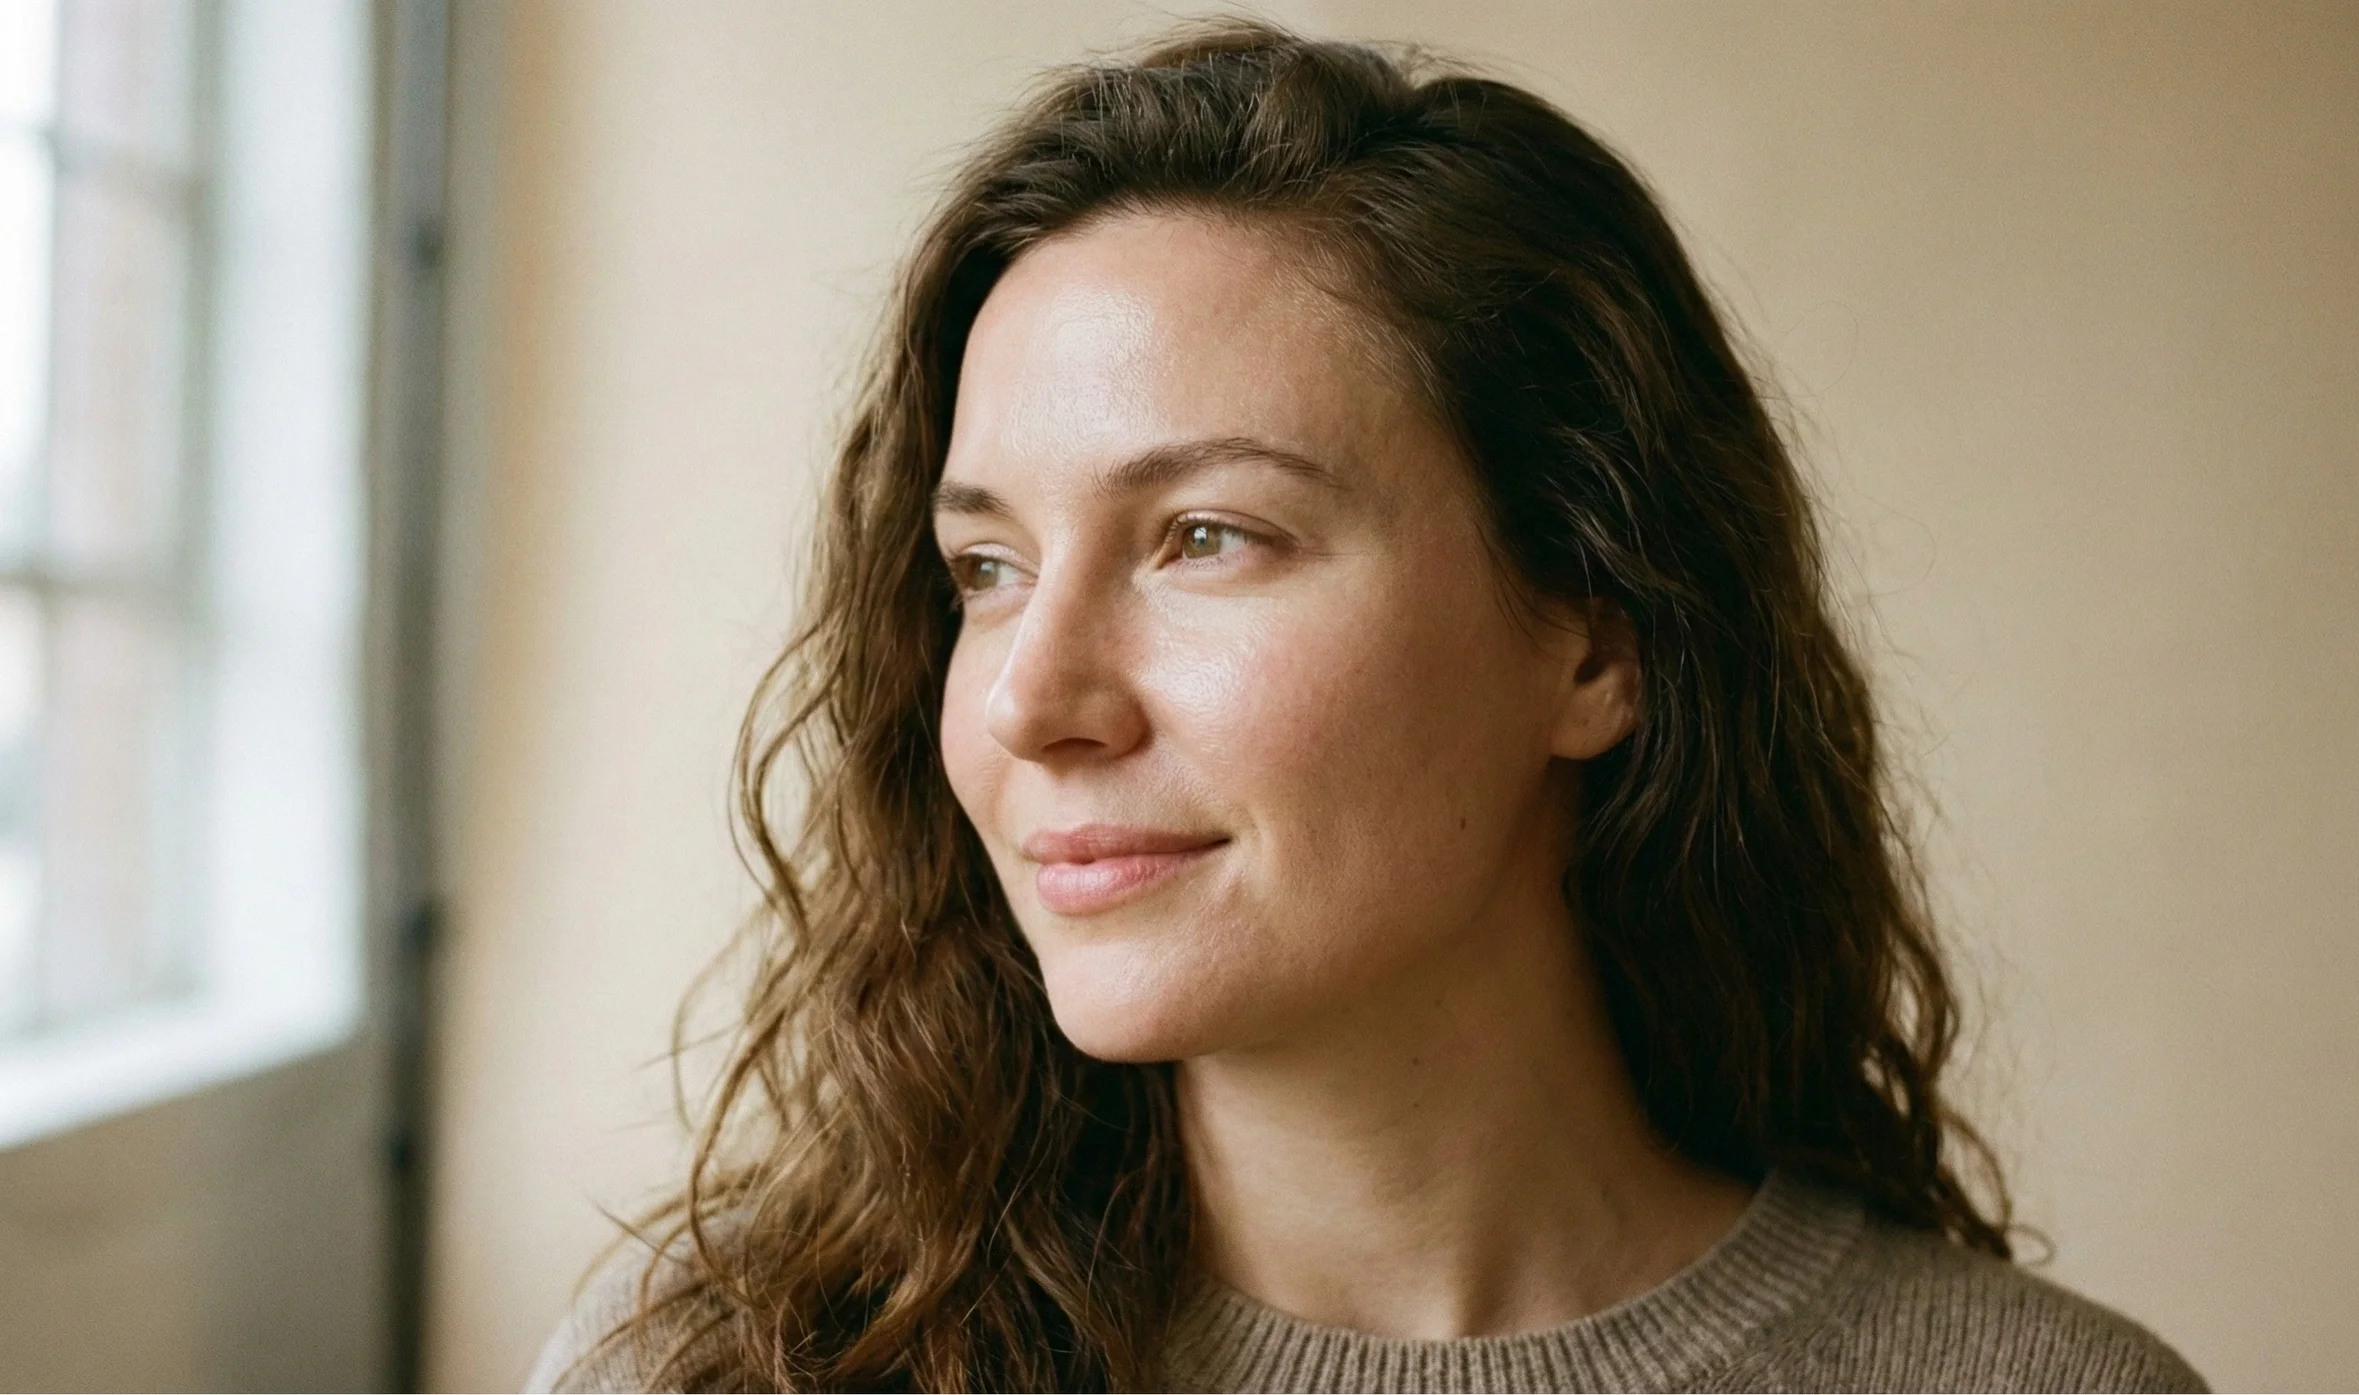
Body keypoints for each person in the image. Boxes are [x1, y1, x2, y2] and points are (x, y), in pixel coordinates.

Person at [530, 20, 2203, 1393]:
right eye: (986, 568)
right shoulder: (713, 1367)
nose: (1034, 698)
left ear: (1596, 644)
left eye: (1205, 537)